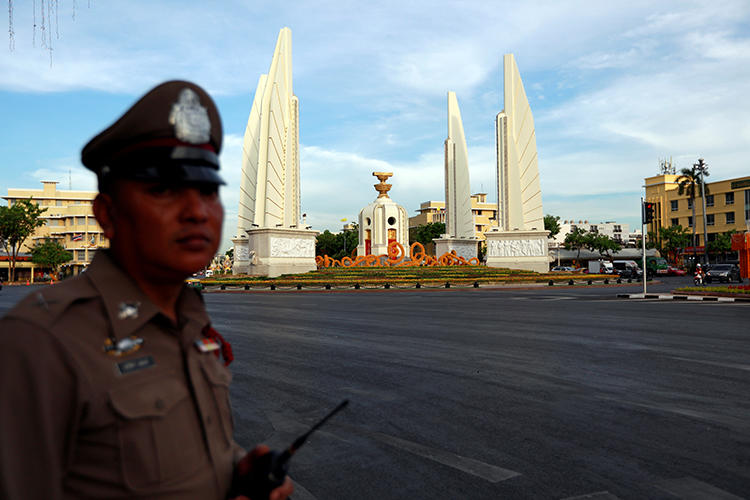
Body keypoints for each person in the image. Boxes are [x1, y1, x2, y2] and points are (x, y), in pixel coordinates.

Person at [0, 81, 293, 500]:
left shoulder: (188, 320)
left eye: (208, 191)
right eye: (163, 190)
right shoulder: (40, 343)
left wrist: (234, 472)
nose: (196, 211)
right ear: (107, 214)